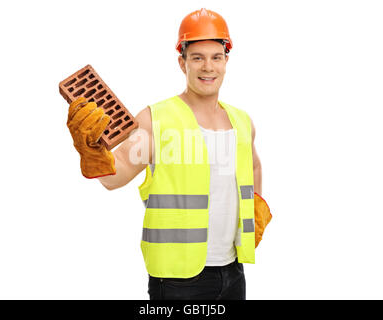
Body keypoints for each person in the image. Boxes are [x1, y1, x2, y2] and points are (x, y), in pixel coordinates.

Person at [66, 8, 272, 300]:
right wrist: (92, 151)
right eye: (197, 57)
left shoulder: (242, 121)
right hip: (176, 280)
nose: (207, 67)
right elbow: (118, 172)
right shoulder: (156, 119)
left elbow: (253, 167)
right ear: (182, 63)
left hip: (233, 271)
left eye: (215, 57)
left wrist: (256, 211)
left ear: (226, 61)